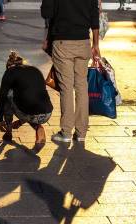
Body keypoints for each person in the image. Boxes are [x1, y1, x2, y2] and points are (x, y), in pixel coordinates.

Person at [41, 0, 100, 144]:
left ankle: (66, 132)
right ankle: (81, 133)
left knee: (66, 88)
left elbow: (46, 13)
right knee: (81, 86)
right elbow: (94, 17)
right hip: (83, 42)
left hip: (63, 43)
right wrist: (96, 44)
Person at [0, 51, 53, 146]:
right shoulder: (35, 70)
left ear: (8, 66)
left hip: (29, 112)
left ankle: (8, 131)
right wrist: (20, 122)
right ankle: (39, 128)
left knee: (8, 95)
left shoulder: (9, 72)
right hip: (47, 112)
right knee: (28, 99)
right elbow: (32, 98)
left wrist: (0, 120)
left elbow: (2, 97)